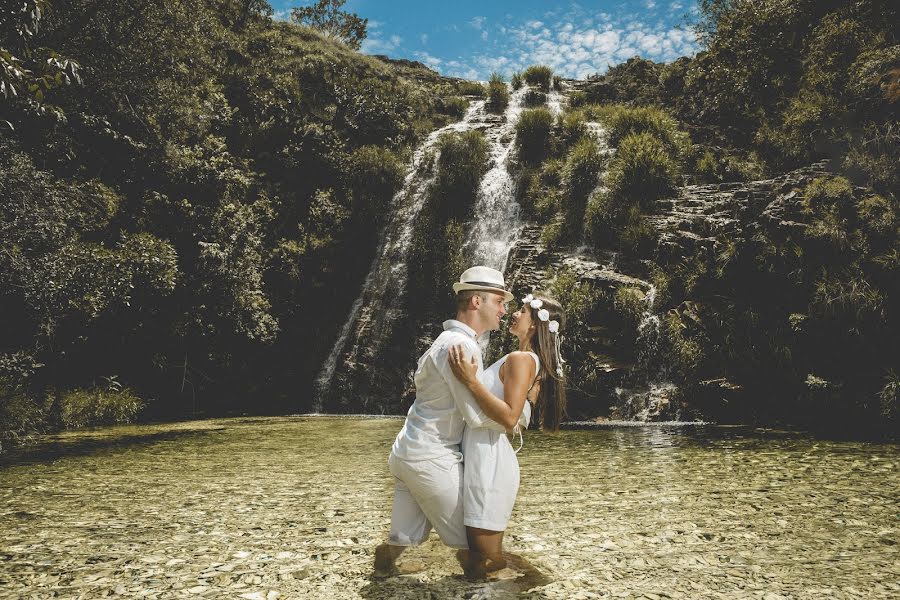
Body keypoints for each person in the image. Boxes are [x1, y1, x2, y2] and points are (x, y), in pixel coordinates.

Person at [373, 266, 514, 578]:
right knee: (480, 549)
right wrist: (515, 414)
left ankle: (382, 572)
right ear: (477, 301)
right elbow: (476, 417)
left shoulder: (444, 340)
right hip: (431, 459)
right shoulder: (461, 346)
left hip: (406, 452)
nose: (504, 310)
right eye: (499, 302)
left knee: (402, 539)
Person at [447, 291, 566, 577]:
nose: (513, 313)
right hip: (487, 454)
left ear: (536, 324)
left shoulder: (521, 359)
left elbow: (510, 417)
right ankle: (529, 581)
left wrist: (471, 381)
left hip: (489, 461)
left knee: (484, 560)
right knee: (481, 558)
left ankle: (532, 582)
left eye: (522, 311)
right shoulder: (528, 360)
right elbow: (517, 422)